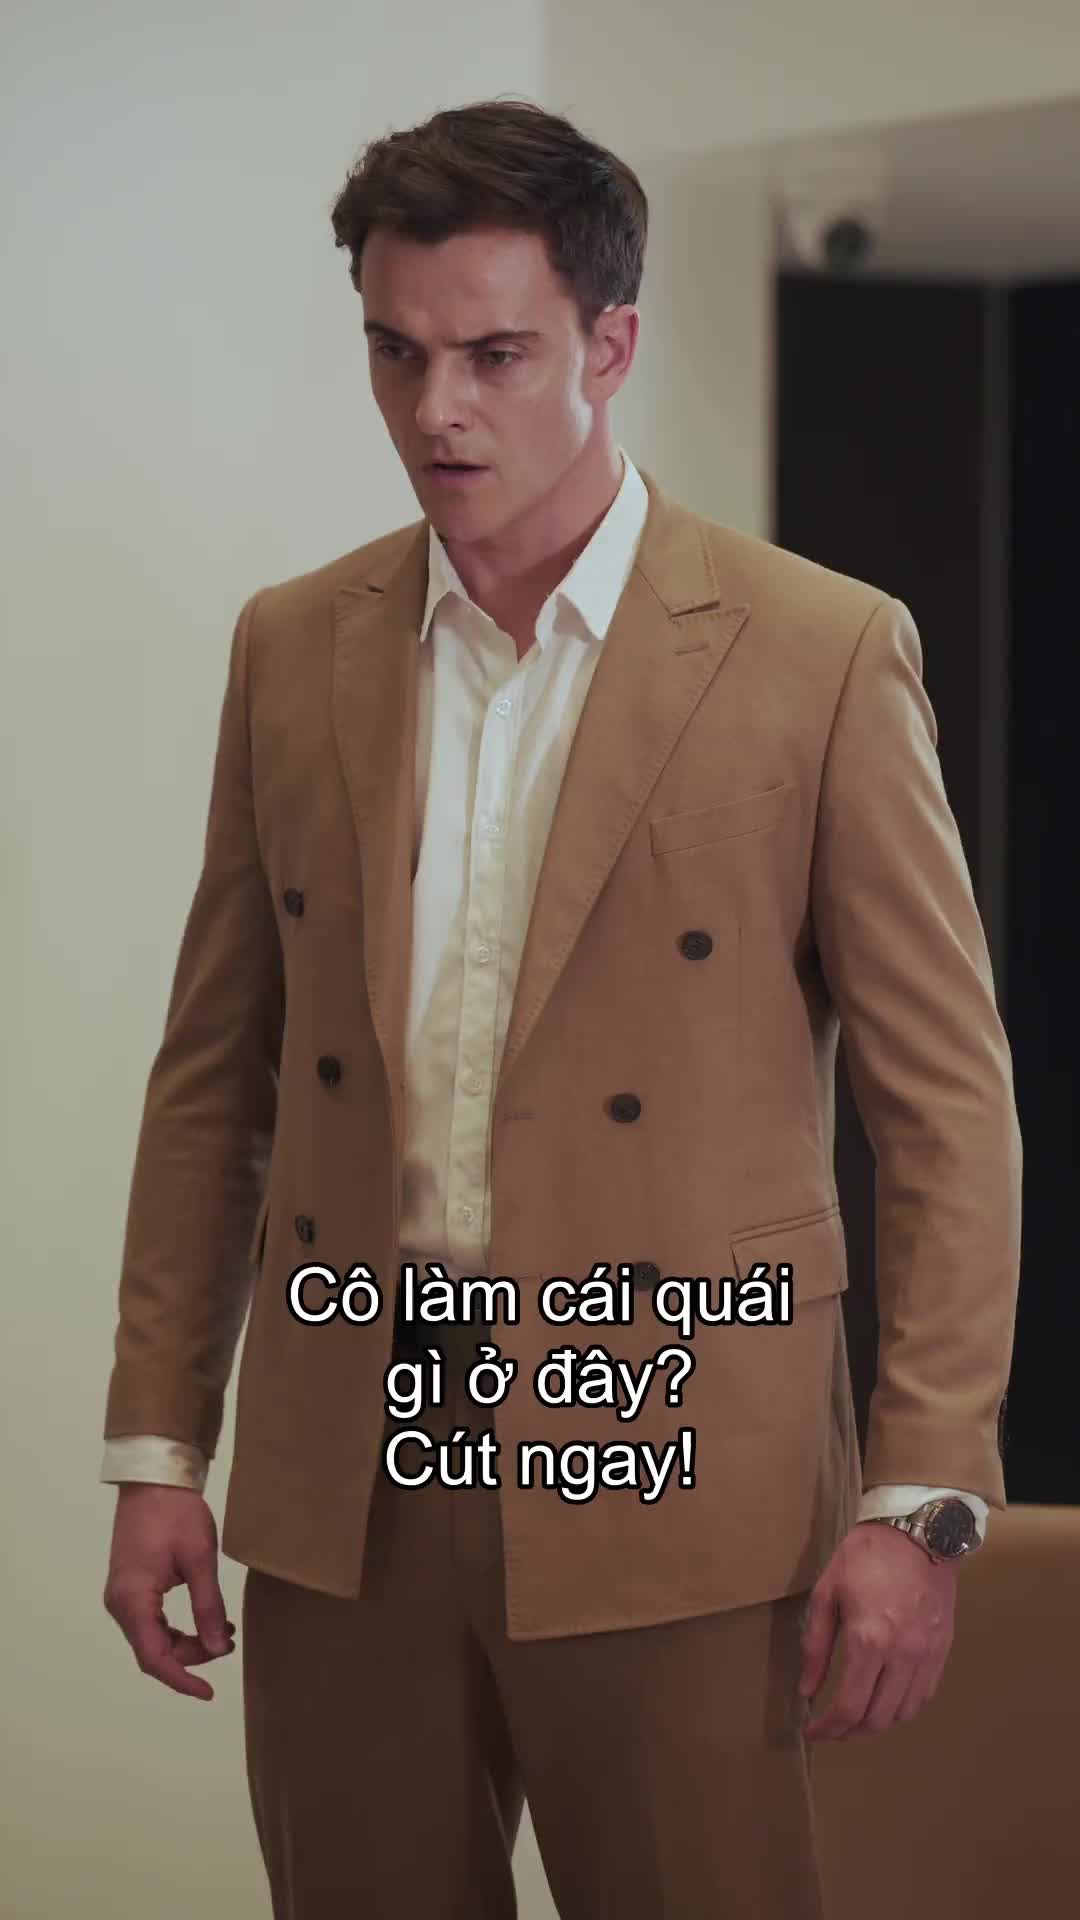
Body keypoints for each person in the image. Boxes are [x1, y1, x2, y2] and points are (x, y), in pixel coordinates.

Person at [100, 97, 1022, 1919]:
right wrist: (157, 1447)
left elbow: (946, 1110)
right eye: (396, 352)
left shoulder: (818, 649)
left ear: (609, 346)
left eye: (495, 355)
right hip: (358, 1453)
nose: (436, 410)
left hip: (674, 1445)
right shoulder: (292, 645)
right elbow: (216, 1078)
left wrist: (923, 1495)